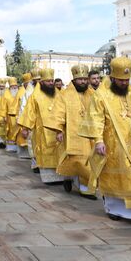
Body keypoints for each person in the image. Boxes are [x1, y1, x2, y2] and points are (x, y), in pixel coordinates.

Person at [81, 57, 131, 225]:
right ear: (112, 77)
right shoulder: (101, 95)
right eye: (121, 80)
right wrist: (98, 141)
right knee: (115, 179)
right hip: (112, 146)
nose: (124, 83)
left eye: (126, 80)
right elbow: (96, 119)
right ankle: (114, 209)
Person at [47, 64, 96, 198]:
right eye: (80, 79)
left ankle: (84, 185)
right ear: (74, 80)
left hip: (90, 134)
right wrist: (58, 131)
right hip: (71, 133)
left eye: (85, 79)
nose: (83, 82)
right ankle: (77, 184)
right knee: (77, 159)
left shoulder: (92, 93)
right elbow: (58, 113)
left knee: (88, 159)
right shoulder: (64, 94)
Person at [18, 68, 65, 184]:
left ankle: (59, 177)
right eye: (48, 81)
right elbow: (30, 113)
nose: (50, 83)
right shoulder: (35, 96)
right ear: (42, 82)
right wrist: (25, 128)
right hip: (42, 130)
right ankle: (49, 178)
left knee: (58, 152)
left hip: (57, 130)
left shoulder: (58, 94)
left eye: (51, 81)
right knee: (45, 152)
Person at [1, 77, 21, 152]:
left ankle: (19, 147)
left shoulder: (20, 93)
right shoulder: (6, 94)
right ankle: (11, 147)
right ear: (10, 87)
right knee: (10, 131)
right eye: (12, 86)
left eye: (15, 86)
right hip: (9, 116)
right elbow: (3, 106)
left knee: (19, 131)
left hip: (19, 115)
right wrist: (4, 116)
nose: (14, 87)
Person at [15, 73, 31, 157]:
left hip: (30, 117)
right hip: (22, 116)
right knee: (22, 136)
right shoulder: (21, 92)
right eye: (27, 83)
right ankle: (23, 153)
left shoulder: (32, 92)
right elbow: (17, 105)